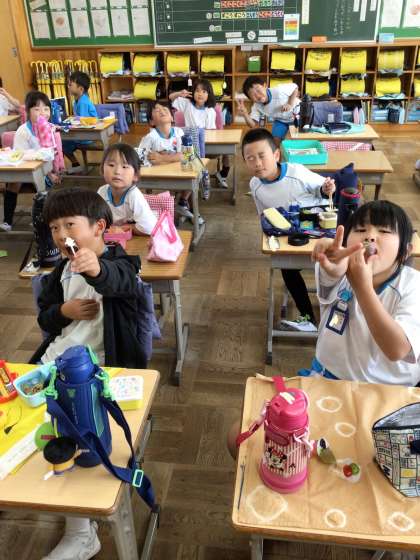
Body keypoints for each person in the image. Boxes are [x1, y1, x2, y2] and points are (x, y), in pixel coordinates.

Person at [34, 187, 147, 560]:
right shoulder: (61, 271)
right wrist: (63, 311)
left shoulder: (121, 262)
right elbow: (45, 316)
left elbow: (122, 282)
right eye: (54, 227)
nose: (60, 234)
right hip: (55, 362)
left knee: (77, 434)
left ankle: (81, 534)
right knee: (30, 424)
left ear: (99, 227)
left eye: (69, 225)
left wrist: (96, 269)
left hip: (100, 370)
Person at [305, 200, 420, 386]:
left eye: (384, 231)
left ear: (406, 251)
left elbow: (397, 349)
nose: (370, 237)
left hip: (388, 390)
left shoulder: (413, 286)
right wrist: (331, 264)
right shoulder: (340, 268)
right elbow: (333, 272)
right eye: (360, 230)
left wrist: (362, 288)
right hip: (328, 376)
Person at [242, 127, 335, 328]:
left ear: (276, 155)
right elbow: (264, 215)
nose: (257, 163)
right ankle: (309, 319)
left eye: (262, 156)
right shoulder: (255, 185)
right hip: (289, 237)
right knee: (287, 269)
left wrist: (327, 188)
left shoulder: (296, 172)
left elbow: (323, 188)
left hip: (317, 233)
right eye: (250, 158)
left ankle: (336, 313)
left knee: (331, 270)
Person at [1, 91, 61, 232]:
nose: (42, 113)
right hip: (24, 170)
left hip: (44, 172)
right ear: (28, 111)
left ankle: (40, 218)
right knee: (14, 183)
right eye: (37, 109)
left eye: (46, 109)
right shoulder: (23, 131)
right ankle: (7, 221)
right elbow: (20, 155)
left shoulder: (49, 129)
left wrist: (51, 173)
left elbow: (51, 155)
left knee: (42, 186)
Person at [138, 100, 204, 225]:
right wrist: (175, 157)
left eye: (165, 109)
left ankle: (183, 202)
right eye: (157, 110)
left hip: (179, 172)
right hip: (158, 177)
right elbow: (142, 158)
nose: (162, 111)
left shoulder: (178, 132)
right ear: (151, 121)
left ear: (172, 117)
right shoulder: (150, 138)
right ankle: (169, 211)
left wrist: (162, 158)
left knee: (196, 170)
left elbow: (186, 154)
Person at [169, 78, 230, 189]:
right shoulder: (187, 104)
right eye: (197, 91)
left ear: (208, 94)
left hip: (204, 143)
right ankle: (192, 181)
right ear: (193, 92)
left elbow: (210, 132)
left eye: (204, 91)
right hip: (189, 145)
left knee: (225, 152)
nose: (200, 94)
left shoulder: (210, 111)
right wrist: (179, 94)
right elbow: (171, 98)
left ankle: (204, 176)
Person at [97, 142, 157, 235]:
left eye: (124, 167)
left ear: (135, 175)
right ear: (102, 170)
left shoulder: (134, 195)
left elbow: (149, 228)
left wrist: (126, 228)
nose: (117, 171)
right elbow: (94, 219)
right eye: (111, 165)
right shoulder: (102, 192)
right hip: (112, 238)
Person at [237, 76, 300, 144]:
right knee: (274, 141)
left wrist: (290, 104)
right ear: (250, 99)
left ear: (265, 86)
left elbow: (295, 87)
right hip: (280, 121)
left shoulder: (278, 90)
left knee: (298, 140)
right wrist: (245, 114)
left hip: (298, 115)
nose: (258, 96)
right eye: (252, 95)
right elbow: (253, 124)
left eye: (258, 90)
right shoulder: (256, 106)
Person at [62, 71, 98, 174]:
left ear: (80, 89)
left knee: (62, 143)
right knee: (62, 141)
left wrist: (71, 122)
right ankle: (76, 165)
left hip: (88, 136)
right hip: (83, 134)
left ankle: (76, 165)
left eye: (70, 84)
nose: (68, 86)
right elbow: (78, 119)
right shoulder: (77, 101)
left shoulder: (83, 102)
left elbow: (82, 122)